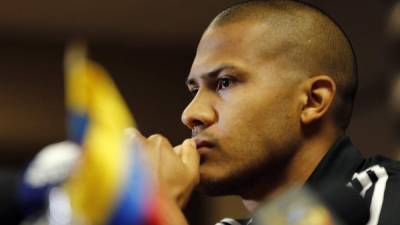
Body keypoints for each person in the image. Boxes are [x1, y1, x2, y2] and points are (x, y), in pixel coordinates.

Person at [129, 1, 400, 225]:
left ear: (312, 101)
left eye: (225, 82)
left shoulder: (385, 195)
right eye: (194, 91)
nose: (191, 114)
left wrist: (154, 210)